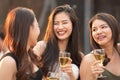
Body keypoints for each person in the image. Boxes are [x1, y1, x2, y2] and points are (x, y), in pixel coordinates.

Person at [33, 4, 84, 80]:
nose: (60, 27)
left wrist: (71, 74)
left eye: (64, 22)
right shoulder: (42, 47)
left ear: (73, 24)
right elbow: (26, 72)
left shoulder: (80, 56)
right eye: (56, 23)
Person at [0, 7, 43, 80]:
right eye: (37, 26)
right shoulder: (9, 61)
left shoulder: (31, 55)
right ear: (27, 29)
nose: (39, 31)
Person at [80, 13, 120, 80]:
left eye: (103, 27)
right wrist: (93, 77)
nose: (98, 32)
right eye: (94, 30)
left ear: (113, 28)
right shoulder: (88, 60)